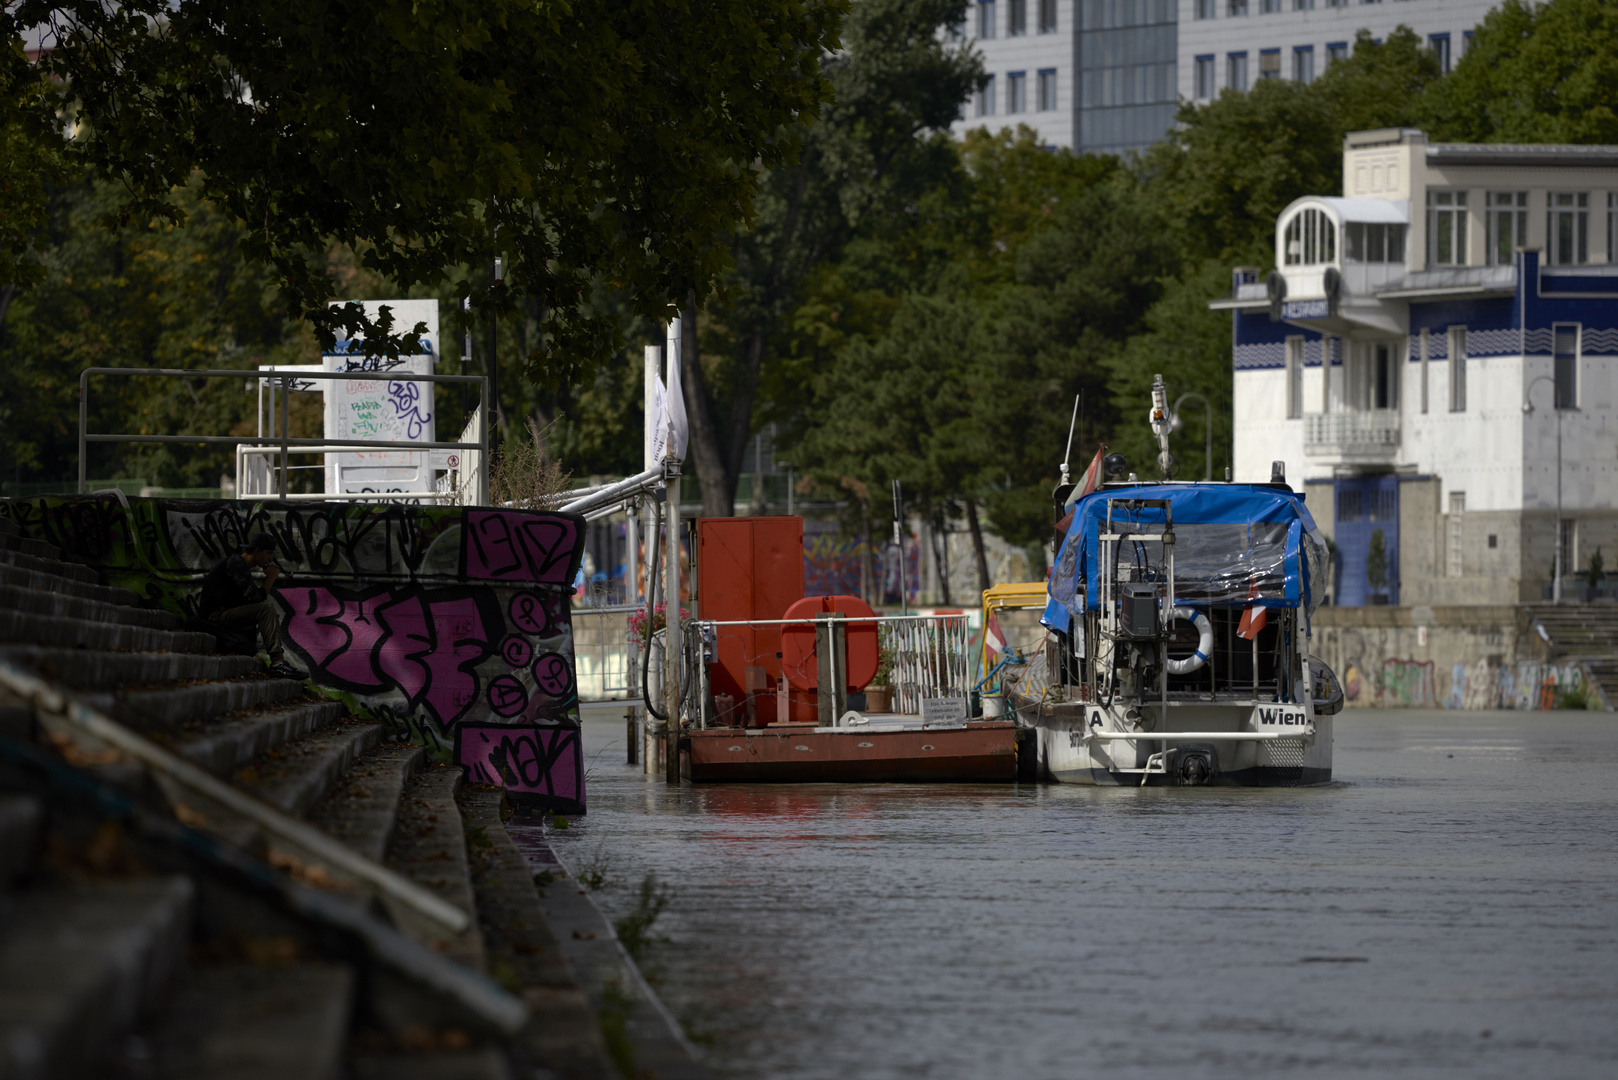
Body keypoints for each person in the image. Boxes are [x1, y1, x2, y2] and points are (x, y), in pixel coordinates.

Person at [198, 533, 299, 678]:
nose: (271, 558)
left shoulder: (241, 566)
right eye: (269, 553)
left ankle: (277, 663)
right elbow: (256, 600)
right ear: (257, 552)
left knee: (262, 610)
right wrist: (271, 578)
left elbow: (250, 600)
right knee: (265, 609)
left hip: (224, 616)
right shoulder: (235, 562)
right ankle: (278, 663)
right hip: (215, 618)